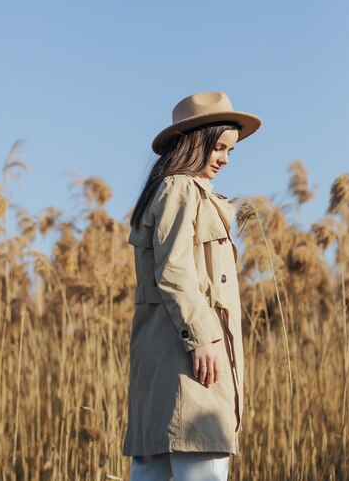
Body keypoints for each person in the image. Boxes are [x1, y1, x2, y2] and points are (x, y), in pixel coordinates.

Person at [122, 91, 262, 481]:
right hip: (193, 360)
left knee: (155, 465)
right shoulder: (182, 189)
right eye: (218, 147)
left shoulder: (172, 190)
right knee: (202, 459)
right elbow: (175, 271)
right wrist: (203, 338)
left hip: (167, 357)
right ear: (193, 141)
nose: (224, 159)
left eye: (230, 151)